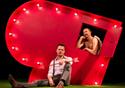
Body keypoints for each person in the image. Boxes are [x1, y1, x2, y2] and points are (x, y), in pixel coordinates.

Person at [8, 43, 73, 88]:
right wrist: (50, 80)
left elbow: (71, 60)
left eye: (62, 50)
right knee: (38, 82)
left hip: (65, 81)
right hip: (55, 79)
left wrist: (64, 60)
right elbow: (50, 73)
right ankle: (17, 85)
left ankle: (61, 84)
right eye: (59, 49)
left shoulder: (68, 58)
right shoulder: (52, 62)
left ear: (64, 51)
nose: (60, 51)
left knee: (68, 65)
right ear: (56, 50)